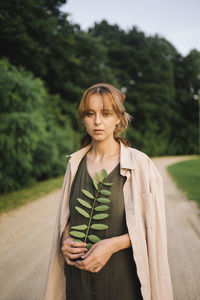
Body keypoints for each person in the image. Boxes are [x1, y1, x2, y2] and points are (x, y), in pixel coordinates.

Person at [41, 83, 173, 300]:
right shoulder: (75, 164)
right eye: (90, 114)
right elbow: (67, 219)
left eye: (106, 113)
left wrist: (113, 244)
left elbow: (154, 228)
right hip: (78, 283)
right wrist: (66, 240)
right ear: (83, 119)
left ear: (119, 119)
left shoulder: (140, 165)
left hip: (122, 282)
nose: (97, 121)